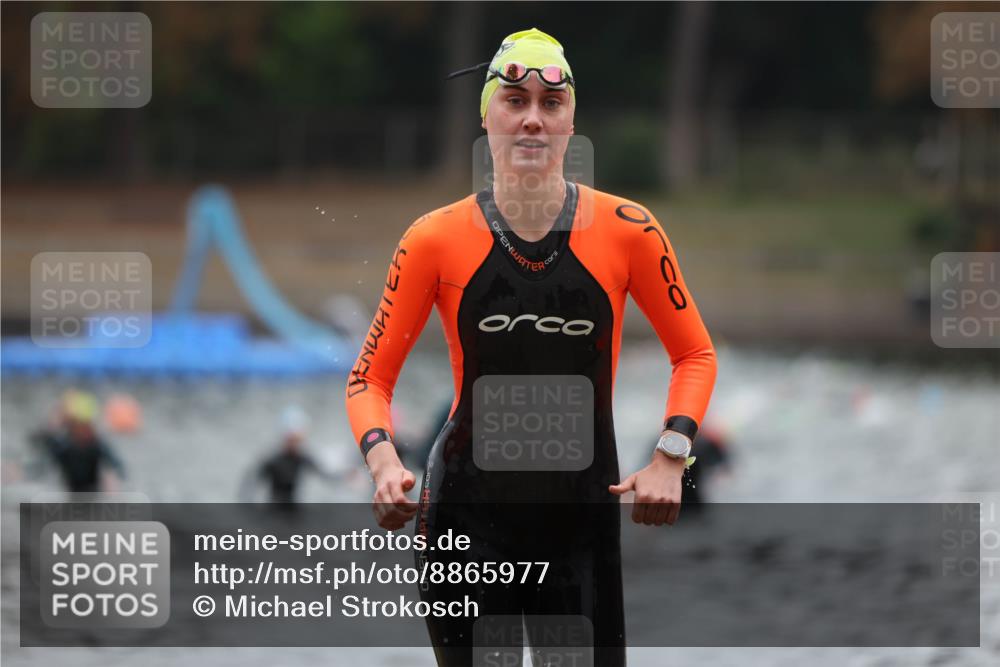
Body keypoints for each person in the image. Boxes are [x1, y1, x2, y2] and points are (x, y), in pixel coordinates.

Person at [345, 28, 717, 666]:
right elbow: (368, 382)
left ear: (573, 121)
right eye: (514, 101)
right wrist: (382, 464)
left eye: (551, 105)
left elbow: (695, 356)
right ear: (485, 114)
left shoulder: (631, 231)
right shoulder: (432, 239)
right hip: (463, 517)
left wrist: (670, 456)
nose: (532, 121)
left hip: (579, 521)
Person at [29, 390, 126, 493]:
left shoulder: (97, 445)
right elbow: (41, 461)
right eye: (79, 426)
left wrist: (113, 479)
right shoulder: (62, 445)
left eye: (87, 426)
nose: (84, 431)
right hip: (70, 493)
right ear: (71, 426)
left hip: (92, 493)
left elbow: (118, 468)